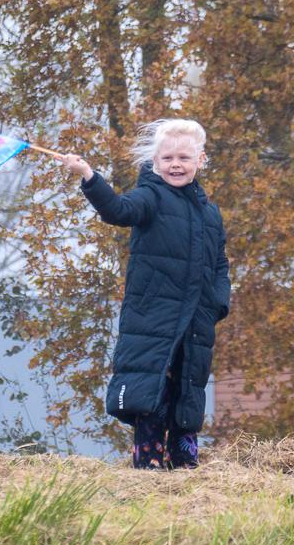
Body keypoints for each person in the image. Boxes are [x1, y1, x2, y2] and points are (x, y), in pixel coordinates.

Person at [60, 119, 231, 469]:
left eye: (184, 158)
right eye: (167, 158)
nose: (175, 165)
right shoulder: (150, 197)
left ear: (200, 160)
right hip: (153, 318)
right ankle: (147, 470)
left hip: (195, 321)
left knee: (187, 396)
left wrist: (218, 303)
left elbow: (220, 264)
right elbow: (117, 210)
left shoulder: (210, 214)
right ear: (155, 162)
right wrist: (89, 176)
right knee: (151, 396)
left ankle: (185, 468)